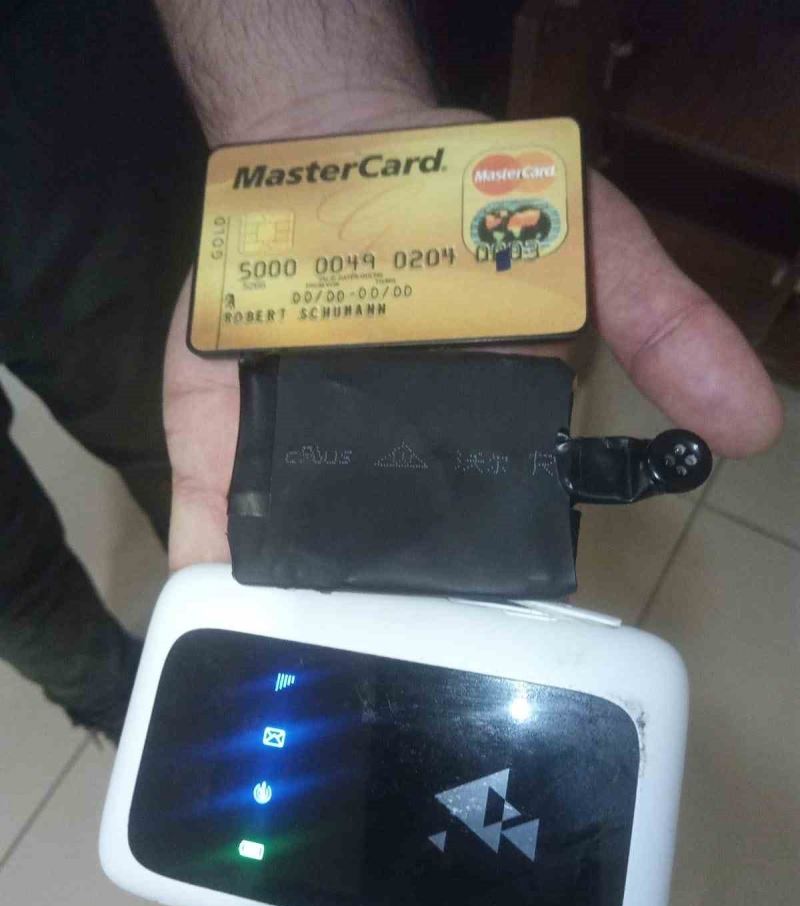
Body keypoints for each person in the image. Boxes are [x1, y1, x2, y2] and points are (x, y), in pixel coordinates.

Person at [0, 0, 783, 742]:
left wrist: (314, 102)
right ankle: (109, 693)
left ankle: (114, 686)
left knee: (174, 433)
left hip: (63, 141)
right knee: (121, 522)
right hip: (72, 204)